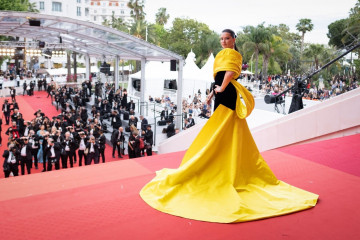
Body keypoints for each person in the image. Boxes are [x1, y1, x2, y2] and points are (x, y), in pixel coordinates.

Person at [140, 29, 318, 223]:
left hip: (227, 93)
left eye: (227, 38)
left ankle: (222, 162)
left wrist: (222, 88)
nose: (224, 42)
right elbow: (217, 76)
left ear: (234, 40)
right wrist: (211, 93)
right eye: (222, 39)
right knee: (221, 128)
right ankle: (220, 160)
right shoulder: (221, 54)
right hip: (220, 92)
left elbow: (230, 73)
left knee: (223, 127)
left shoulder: (234, 55)